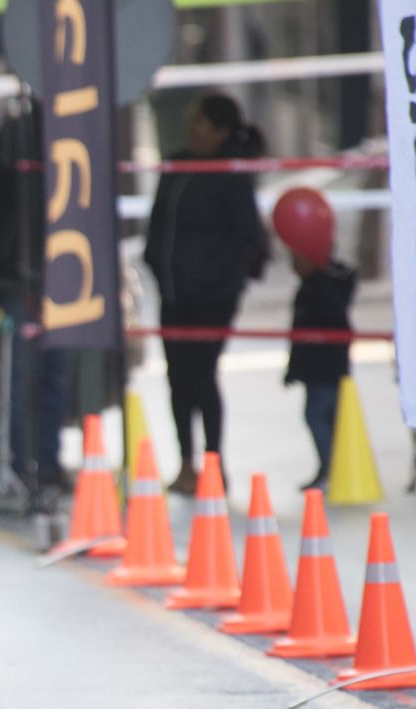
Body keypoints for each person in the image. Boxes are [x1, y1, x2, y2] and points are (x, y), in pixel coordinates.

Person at [143, 93, 270, 494]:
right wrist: (160, 269)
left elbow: (245, 236)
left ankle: (214, 466)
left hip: (213, 297)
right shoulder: (176, 166)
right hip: (174, 295)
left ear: (220, 131)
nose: (193, 129)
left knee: (202, 376)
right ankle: (185, 465)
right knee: (177, 379)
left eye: (201, 122)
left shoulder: (231, 174)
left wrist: (215, 279)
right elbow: (159, 225)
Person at [0, 104, 75, 496]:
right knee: (22, 379)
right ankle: (20, 466)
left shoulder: (74, 135)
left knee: (52, 378)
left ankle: (43, 466)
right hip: (19, 278)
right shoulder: (15, 138)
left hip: (62, 280)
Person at [273, 188, 356, 492]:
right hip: (318, 369)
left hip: (326, 368)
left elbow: (321, 328)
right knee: (323, 416)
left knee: (321, 416)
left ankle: (331, 468)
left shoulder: (321, 289)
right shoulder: (317, 287)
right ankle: (330, 467)